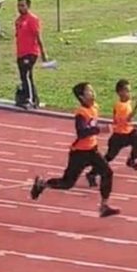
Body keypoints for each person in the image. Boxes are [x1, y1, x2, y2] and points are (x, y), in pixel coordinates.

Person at [30, 82, 120, 218]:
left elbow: (91, 125)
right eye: (89, 91)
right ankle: (42, 184)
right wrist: (100, 130)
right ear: (81, 97)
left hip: (92, 150)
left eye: (92, 89)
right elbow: (82, 132)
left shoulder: (94, 107)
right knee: (67, 183)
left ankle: (104, 206)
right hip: (79, 154)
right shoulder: (81, 114)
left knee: (107, 173)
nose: (93, 92)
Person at [86, 79, 137, 187]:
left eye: (130, 91)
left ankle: (131, 160)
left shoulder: (123, 102)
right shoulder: (121, 106)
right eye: (127, 91)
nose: (129, 93)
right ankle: (92, 174)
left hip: (129, 132)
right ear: (120, 92)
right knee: (109, 157)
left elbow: (122, 112)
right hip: (120, 136)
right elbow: (128, 119)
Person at [14, 0, 48, 109]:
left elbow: (38, 35)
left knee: (26, 74)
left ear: (28, 6)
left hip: (31, 52)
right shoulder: (18, 20)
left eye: (22, 5)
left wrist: (43, 52)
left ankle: (30, 99)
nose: (20, 8)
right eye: (19, 5)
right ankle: (33, 98)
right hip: (21, 52)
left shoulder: (32, 19)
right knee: (25, 76)